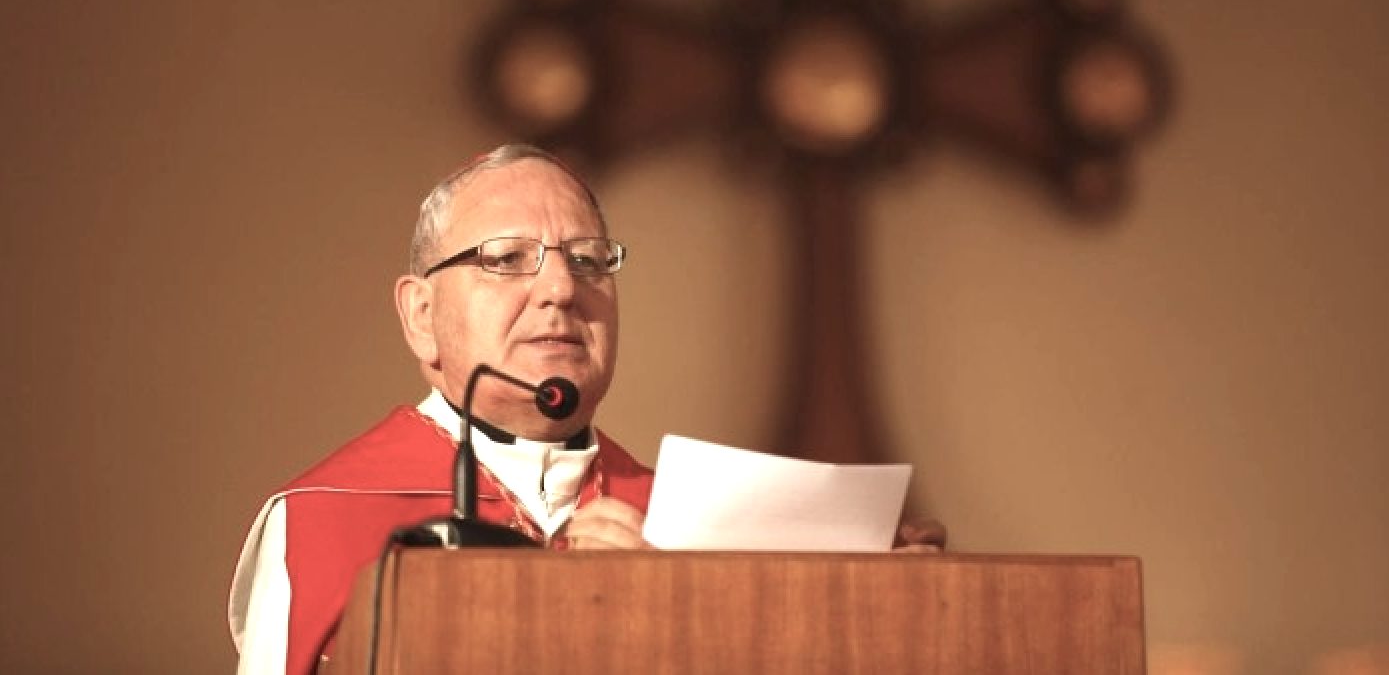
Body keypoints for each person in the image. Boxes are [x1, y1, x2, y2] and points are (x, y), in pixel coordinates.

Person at [228, 144, 944, 675]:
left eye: (589, 259)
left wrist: (884, 619)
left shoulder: (684, 523)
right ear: (421, 315)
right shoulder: (322, 518)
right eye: (506, 259)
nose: (562, 291)